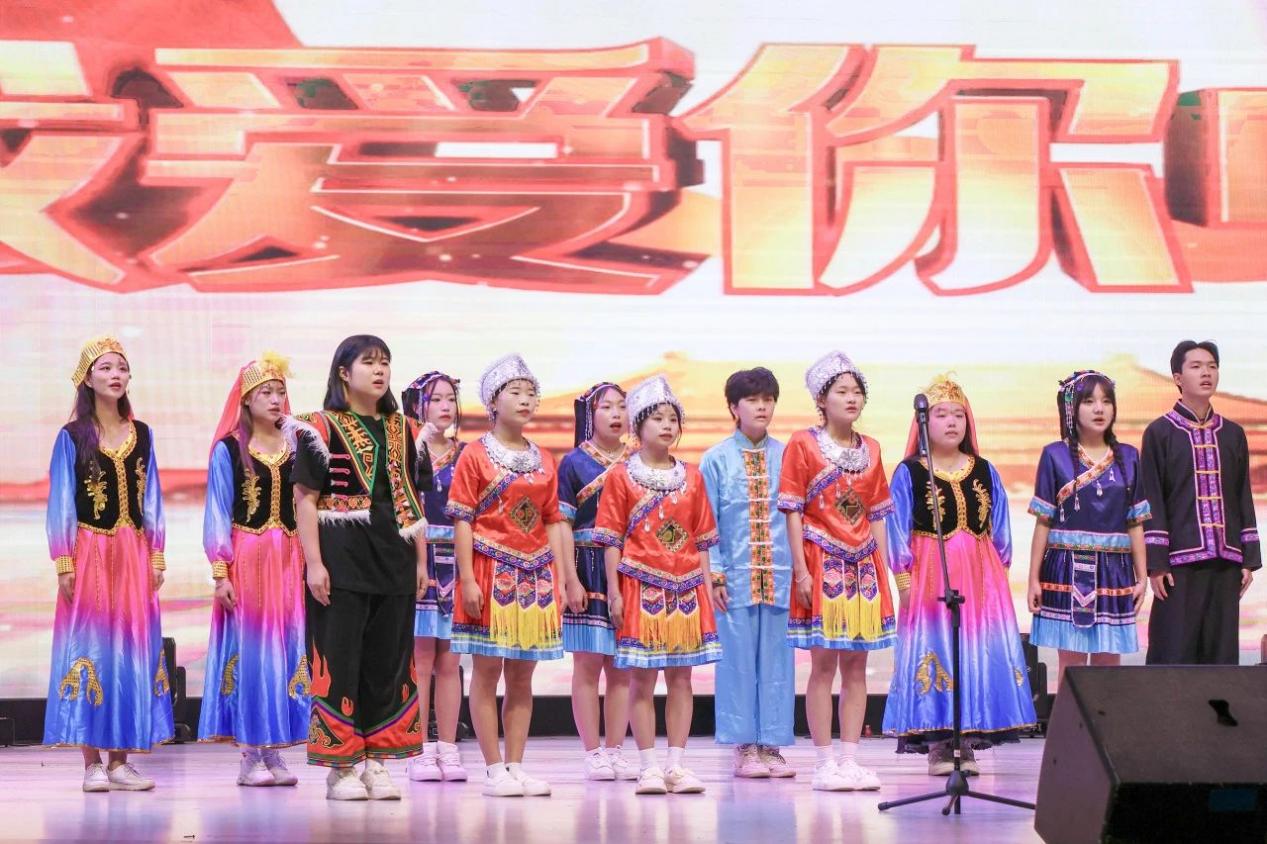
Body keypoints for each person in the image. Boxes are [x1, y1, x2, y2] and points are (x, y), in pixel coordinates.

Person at [291, 335, 433, 801]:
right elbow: (305, 500)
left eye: (385, 362)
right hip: (341, 560)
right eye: (368, 362)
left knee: (388, 664)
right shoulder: (319, 427)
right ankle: (341, 766)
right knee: (340, 661)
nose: (379, 370)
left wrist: (420, 560)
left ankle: (377, 762)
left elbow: (414, 499)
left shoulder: (406, 429)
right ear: (343, 372)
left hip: (394, 558)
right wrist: (314, 563)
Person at [883, 375, 1036, 776]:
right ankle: (938, 744)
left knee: (974, 651)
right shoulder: (910, 473)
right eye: (941, 414)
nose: (951, 422)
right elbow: (896, 527)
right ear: (923, 422)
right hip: (930, 575)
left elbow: (1000, 530)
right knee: (938, 649)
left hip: (981, 578)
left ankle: (966, 741)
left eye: (958, 414)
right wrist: (904, 580)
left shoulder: (984, 470)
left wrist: (998, 578)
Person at [45, 336, 174, 792]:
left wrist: (156, 553)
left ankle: (121, 761)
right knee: (91, 646)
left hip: (133, 552)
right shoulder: (72, 437)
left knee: (132, 648)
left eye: (121, 367)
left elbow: (152, 497)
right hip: (90, 552)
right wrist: (64, 561)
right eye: (105, 368)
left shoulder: (143, 435)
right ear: (87, 379)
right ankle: (91, 763)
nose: (115, 375)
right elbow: (61, 500)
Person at [447, 354, 570, 798]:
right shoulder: (474, 455)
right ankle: (492, 767)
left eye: (530, 393)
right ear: (493, 402)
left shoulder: (544, 459)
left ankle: (516, 764)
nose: (525, 400)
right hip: (489, 570)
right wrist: (467, 578)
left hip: (536, 575)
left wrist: (561, 578)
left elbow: (552, 520)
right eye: (515, 392)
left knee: (522, 676)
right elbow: (463, 518)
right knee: (486, 671)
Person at [595, 375, 721, 796]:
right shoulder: (621, 477)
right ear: (638, 425)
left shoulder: (693, 476)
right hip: (640, 588)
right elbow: (611, 540)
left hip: (687, 589)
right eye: (657, 418)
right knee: (642, 680)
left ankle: (676, 765)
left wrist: (707, 589)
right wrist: (614, 592)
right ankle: (648, 765)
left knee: (681, 679)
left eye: (672, 419)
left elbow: (702, 542)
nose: (667, 426)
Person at [777, 352, 892, 792]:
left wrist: (884, 570)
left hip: (863, 567)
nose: (851, 398)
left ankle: (850, 759)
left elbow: (877, 513)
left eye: (857, 391)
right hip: (821, 562)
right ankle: (824, 761)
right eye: (841, 391)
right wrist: (800, 572)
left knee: (857, 668)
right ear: (822, 400)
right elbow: (792, 511)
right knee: (823, 666)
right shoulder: (803, 444)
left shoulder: (872, 449)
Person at [199, 353, 308, 786]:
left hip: (290, 558)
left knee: (285, 645)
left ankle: (275, 749)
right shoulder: (229, 449)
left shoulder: (297, 445)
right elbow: (217, 510)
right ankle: (250, 753)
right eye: (266, 392)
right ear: (245, 399)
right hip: (248, 557)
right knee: (253, 649)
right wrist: (220, 572)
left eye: (280, 391)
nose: (276, 399)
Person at [700, 367, 795, 780]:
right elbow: (706, 522)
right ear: (734, 407)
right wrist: (715, 574)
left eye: (768, 399)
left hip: (780, 575)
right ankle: (743, 747)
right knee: (737, 663)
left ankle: (771, 745)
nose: (762, 407)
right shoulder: (715, 459)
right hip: (733, 578)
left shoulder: (788, 457)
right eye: (753, 400)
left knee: (778, 663)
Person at [1140, 340, 1259, 665]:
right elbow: (1152, 500)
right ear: (1178, 378)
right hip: (1178, 564)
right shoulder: (1160, 432)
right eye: (1196, 367)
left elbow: (1242, 496)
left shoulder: (1233, 434)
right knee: (1173, 651)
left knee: (1220, 656)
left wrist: (1248, 559)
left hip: (1227, 561)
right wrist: (1157, 563)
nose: (1206, 373)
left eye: (1212, 366)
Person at [1026, 370, 1149, 682]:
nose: (1099, 409)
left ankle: (1107, 716)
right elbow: (1043, 521)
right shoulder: (1054, 455)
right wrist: (1033, 579)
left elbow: (1135, 523)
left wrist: (1142, 577)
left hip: (1114, 570)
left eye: (1106, 401)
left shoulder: (1129, 457)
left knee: (1109, 665)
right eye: (1089, 401)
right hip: (1066, 568)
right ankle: (1068, 716)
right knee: (1072, 666)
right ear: (1072, 408)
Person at [557, 382, 637, 781]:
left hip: (629, 569)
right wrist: (568, 579)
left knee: (622, 667)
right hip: (586, 565)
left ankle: (617, 749)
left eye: (622, 406)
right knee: (588, 665)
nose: (616, 413)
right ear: (591, 414)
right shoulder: (573, 463)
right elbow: (562, 524)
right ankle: (592, 752)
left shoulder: (638, 461)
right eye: (607, 407)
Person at [400, 372, 468, 783]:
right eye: (436, 399)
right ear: (417, 406)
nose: (445, 406)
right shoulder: (409, 450)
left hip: (458, 561)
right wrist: (418, 565)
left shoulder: (467, 454)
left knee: (451, 660)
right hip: (419, 557)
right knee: (421, 659)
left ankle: (448, 747)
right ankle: (419, 748)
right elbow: (407, 509)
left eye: (450, 399)